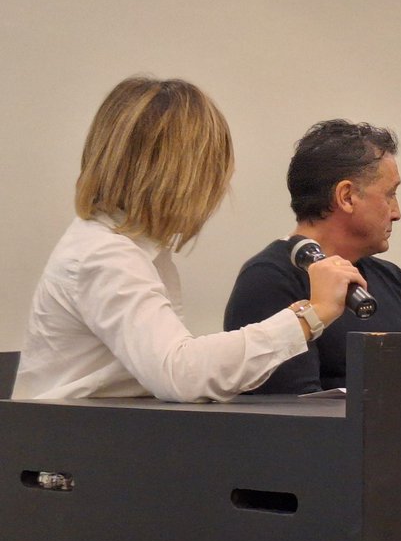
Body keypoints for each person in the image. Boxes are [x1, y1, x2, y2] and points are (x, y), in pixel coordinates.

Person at [12, 77, 365, 402]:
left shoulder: (138, 252)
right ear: (181, 173)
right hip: (73, 457)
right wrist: (310, 316)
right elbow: (179, 374)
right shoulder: (103, 254)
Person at [224, 120, 401, 393]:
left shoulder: (395, 281)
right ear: (346, 197)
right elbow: (296, 416)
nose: (397, 212)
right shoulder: (269, 281)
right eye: (390, 194)